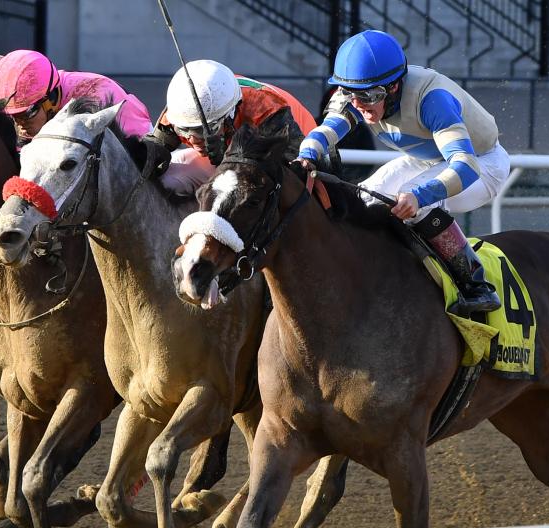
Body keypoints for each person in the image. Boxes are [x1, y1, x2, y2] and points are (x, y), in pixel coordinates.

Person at [297, 30, 508, 315]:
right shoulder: (359, 94)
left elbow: (465, 166)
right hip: (427, 158)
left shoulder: (433, 100)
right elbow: (326, 132)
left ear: (394, 87)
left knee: (414, 201)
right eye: (349, 94)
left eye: (368, 95)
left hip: (482, 164)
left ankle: (475, 284)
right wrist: (306, 156)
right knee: (363, 198)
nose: (358, 104)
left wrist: (420, 196)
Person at [147, 59, 317, 196]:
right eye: (183, 129)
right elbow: (157, 145)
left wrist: (229, 158)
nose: (191, 139)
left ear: (229, 116)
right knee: (168, 179)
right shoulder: (183, 108)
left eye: (200, 130)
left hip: (298, 146)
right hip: (233, 143)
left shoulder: (265, 111)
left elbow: (289, 170)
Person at [0, 50, 152, 146]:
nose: (19, 124)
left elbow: (141, 156)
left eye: (27, 114)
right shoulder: (32, 104)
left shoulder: (99, 95)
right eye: (13, 116)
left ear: (51, 98)